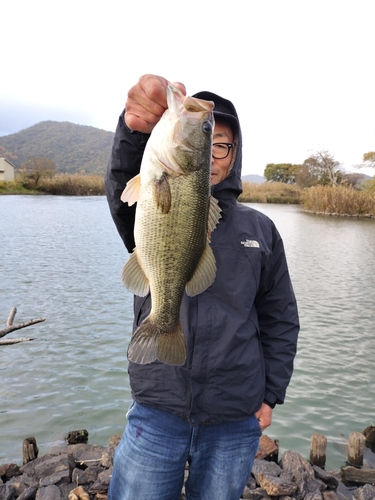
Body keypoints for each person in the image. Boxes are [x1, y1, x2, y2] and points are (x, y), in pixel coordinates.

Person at [105, 74, 299, 500]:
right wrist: (133, 129)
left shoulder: (260, 230)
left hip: (235, 416)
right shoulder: (152, 189)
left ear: (233, 155)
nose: (211, 153)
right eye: (208, 141)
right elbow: (123, 184)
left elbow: (281, 319)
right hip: (157, 408)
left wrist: (270, 397)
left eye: (221, 144)